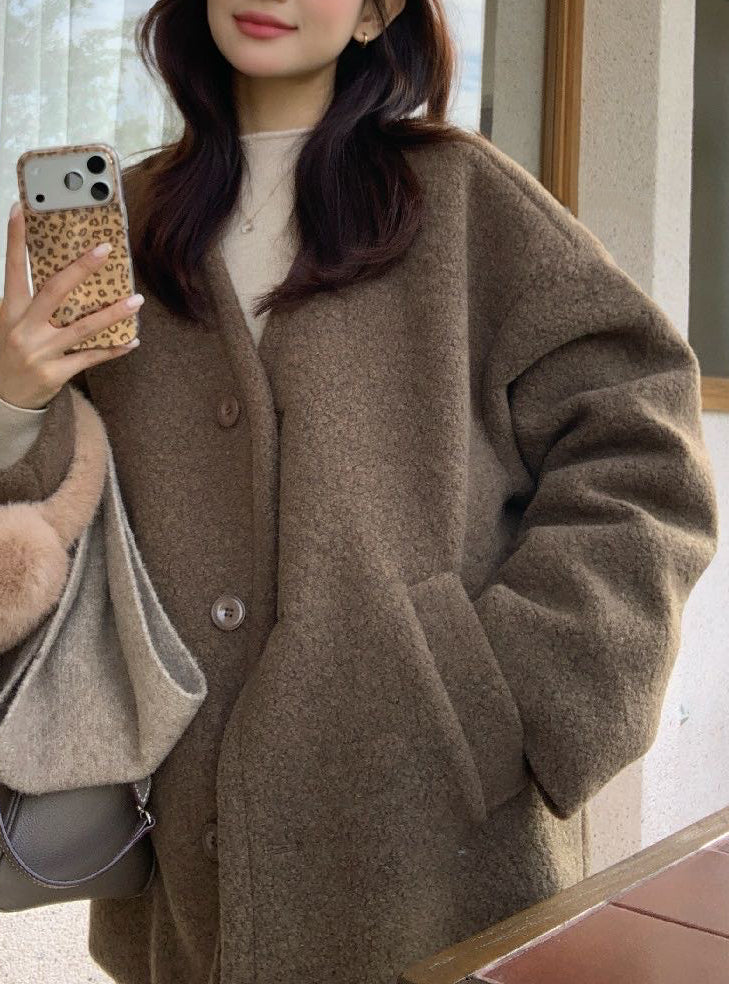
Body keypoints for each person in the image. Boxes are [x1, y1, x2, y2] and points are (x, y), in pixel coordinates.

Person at [0, 1, 720, 983]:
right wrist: (16, 397)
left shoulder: (464, 200)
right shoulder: (125, 222)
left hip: (436, 827)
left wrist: (511, 699)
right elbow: (57, 523)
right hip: (186, 826)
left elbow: (641, 452)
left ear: (378, 14)